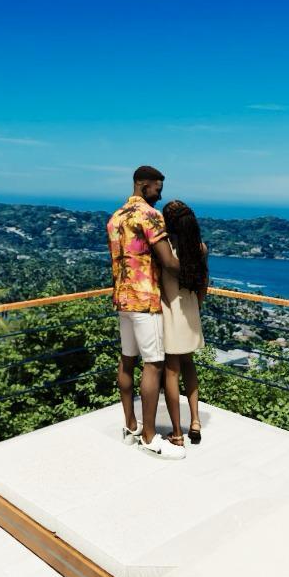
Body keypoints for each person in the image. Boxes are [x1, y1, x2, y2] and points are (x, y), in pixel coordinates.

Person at [107, 165, 186, 459]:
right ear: (143, 185)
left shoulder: (115, 217)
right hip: (145, 299)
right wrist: (194, 268)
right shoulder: (150, 215)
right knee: (153, 364)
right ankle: (150, 438)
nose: (160, 195)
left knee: (127, 360)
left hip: (122, 299)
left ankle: (131, 427)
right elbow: (168, 262)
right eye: (157, 189)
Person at [160, 200, 208, 446]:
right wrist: (196, 307)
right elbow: (203, 284)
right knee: (189, 365)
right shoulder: (199, 248)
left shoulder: (165, 249)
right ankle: (196, 421)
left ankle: (177, 432)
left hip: (171, 313)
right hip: (191, 312)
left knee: (172, 371)